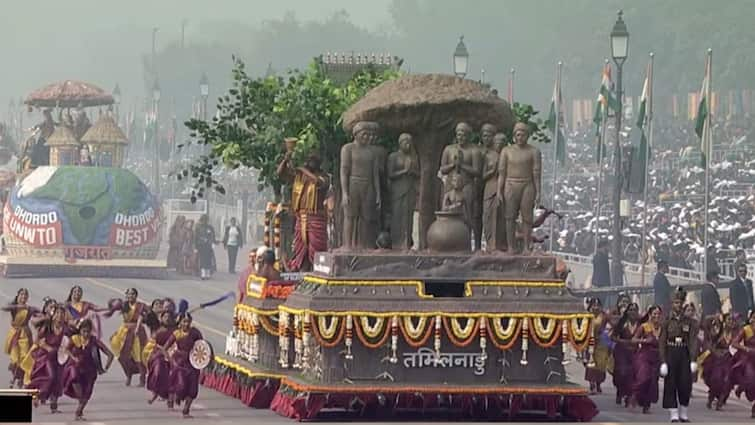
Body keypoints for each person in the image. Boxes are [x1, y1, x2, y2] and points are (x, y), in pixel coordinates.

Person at [277, 150, 329, 270]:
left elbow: (317, 182)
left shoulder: (324, 177)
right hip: (301, 217)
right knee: (301, 251)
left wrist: (301, 169)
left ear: (318, 163)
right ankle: (301, 273)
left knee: (317, 250)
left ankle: (317, 271)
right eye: (308, 160)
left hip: (316, 218)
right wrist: (286, 159)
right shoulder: (299, 177)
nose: (309, 163)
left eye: (312, 160)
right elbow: (280, 173)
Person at [659, 287, 699, 423]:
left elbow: (693, 340)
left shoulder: (689, 322)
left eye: (680, 302)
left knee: (685, 383)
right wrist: (663, 361)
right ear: (672, 304)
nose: (678, 305)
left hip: (684, 353)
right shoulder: (666, 320)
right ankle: (673, 412)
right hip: (671, 351)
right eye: (676, 302)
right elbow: (662, 341)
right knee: (671, 382)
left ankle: (683, 411)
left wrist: (693, 359)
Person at [62, 319, 114, 421]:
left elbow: (110, 354)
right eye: (83, 331)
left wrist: (105, 368)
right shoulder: (74, 339)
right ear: (80, 330)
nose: (86, 334)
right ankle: (80, 401)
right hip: (76, 367)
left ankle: (79, 412)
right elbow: (66, 349)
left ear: (90, 331)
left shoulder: (94, 341)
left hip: (90, 371)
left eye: (88, 331)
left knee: (87, 394)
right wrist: (73, 357)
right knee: (74, 376)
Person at [22, 303, 69, 413]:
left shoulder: (66, 329)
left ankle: (54, 407)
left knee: (58, 381)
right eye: (57, 313)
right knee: (51, 377)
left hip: (59, 358)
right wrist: (47, 347)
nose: (60, 316)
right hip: (46, 357)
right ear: (53, 315)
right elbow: (37, 341)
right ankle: (37, 396)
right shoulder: (47, 327)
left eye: (62, 314)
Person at [161, 312, 204, 418]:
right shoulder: (177, 334)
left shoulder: (195, 333)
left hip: (193, 363)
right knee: (180, 385)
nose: (186, 324)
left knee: (193, 389)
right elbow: (164, 348)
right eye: (184, 321)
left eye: (188, 321)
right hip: (180, 363)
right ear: (180, 322)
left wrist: (204, 362)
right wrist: (171, 361)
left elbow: (202, 347)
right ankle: (172, 399)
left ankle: (186, 410)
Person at [110, 288, 147, 387]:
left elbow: (141, 317)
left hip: (136, 332)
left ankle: (142, 378)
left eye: (133, 294)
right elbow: (111, 306)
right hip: (124, 331)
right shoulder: (124, 305)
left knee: (138, 355)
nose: (131, 296)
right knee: (122, 355)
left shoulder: (140, 306)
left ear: (136, 295)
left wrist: (138, 327)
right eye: (129, 294)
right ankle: (128, 375)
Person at [2, 288, 38, 388]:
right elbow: (4, 307)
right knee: (15, 359)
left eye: (25, 295)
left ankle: (22, 378)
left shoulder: (29, 309)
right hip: (14, 335)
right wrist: (17, 306)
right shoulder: (14, 307)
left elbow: (39, 312)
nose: (23, 297)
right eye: (22, 294)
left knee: (24, 357)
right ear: (17, 296)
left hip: (25, 335)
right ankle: (14, 377)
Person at [631, 305, 663, 414]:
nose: (656, 316)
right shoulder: (644, 326)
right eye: (654, 313)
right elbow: (633, 339)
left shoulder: (662, 328)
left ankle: (646, 406)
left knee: (652, 382)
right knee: (644, 378)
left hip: (657, 358)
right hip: (644, 356)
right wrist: (645, 340)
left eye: (658, 314)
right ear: (650, 315)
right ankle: (634, 395)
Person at [699, 314, 734, 411]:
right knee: (716, 380)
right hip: (716, 359)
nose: (731, 322)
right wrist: (715, 317)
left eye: (732, 320)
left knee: (727, 381)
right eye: (729, 319)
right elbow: (706, 323)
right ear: (724, 321)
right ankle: (710, 399)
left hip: (728, 360)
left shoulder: (735, 333)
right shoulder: (718, 331)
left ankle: (720, 402)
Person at [143, 308, 175, 406]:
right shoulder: (156, 327)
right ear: (161, 318)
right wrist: (163, 309)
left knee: (175, 374)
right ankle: (155, 393)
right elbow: (149, 315)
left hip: (172, 353)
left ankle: (171, 398)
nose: (167, 319)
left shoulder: (176, 329)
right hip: (159, 353)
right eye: (165, 316)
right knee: (158, 371)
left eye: (169, 317)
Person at [611, 302, 639, 407]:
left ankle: (628, 395)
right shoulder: (622, 323)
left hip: (635, 352)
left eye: (634, 310)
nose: (632, 312)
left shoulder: (640, 323)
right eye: (630, 310)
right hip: (621, 351)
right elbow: (613, 337)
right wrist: (622, 341)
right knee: (622, 373)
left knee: (632, 375)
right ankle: (620, 391)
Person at [584, 298, 612, 394]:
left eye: (597, 305)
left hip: (601, 343)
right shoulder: (586, 315)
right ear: (590, 306)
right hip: (590, 342)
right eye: (593, 305)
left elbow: (612, 326)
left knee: (601, 364)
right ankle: (592, 385)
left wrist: (607, 336)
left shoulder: (604, 316)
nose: (596, 307)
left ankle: (598, 383)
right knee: (591, 364)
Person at [731, 310, 755, 418]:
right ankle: (742, 387)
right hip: (748, 359)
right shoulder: (746, 329)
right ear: (751, 318)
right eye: (754, 317)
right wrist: (745, 348)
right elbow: (734, 343)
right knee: (751, 380)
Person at [194, 214, 216, 280]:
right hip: (201, 245)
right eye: (203, 220)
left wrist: (213, 243)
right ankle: (203, 273)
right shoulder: (198, 227)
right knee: (202, 259)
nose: (204, 221)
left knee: (208, 259)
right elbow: (196, 237)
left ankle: (208, 273)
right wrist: (195, 247)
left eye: (206, 220)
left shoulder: (210, 227)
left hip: (208, 246)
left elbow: (213, 236)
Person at [592, 240, 611, 306]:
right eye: (606, 247)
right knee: (601, 301)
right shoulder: (602, 257)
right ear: (602, 247)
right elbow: (604, 272)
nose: (608, 249)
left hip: (597, 282)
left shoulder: (596, 256)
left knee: (598, 301)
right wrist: (608, 283)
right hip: (602, 283)